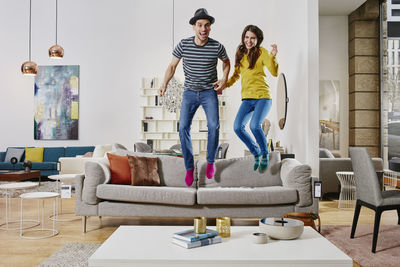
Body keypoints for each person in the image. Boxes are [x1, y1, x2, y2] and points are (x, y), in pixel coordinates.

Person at [159, 8, 230, 186]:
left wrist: (224, 78)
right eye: (200, 25)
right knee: (182, 127)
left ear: (210, 28)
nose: (203, 29)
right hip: (189, 92)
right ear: (194, 27)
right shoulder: (184, 45)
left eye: (207, 25)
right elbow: (172, 66)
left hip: (208, 93)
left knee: (214, 126)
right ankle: (189, 168)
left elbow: (227, 62)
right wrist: (164, 84)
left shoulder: (217, 46)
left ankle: (211, 162)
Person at [224, 25, 278, 171]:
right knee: (237, 127)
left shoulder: (262, 52)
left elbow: (274, 72)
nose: (249, 41)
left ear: (258, 40)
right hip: (247, 99)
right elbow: (236, 75)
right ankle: (256, 153)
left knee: (254, 126)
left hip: (263, 97)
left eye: (252, 38)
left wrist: (273, 56)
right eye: (247, 37)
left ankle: (265, 155)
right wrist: (224, 85)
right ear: (243, 37)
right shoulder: (240, 53)